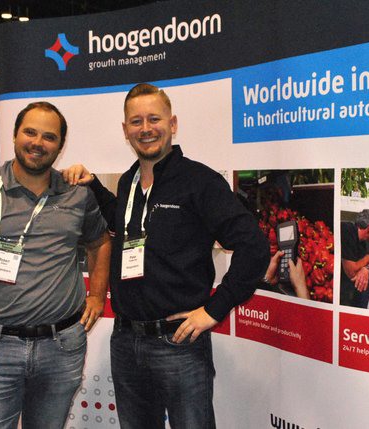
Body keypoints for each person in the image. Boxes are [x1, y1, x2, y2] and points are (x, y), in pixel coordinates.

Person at [63, 83, 269, 428]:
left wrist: (214, 310)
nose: (146, 129)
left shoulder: (200, 181)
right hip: (126, 340)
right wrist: (93, 184)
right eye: (136, 121)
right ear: (125, 130)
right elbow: (125, 223)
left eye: (154, 119)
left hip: (179, 344)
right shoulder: (129, 182)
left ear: (172, 124)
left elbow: (254, 247)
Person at [0, 101, 111, 429]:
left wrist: (98, 296)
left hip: (61, 348)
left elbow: (100, 243)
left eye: (49, 137)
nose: (38, 142)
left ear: (60, 145)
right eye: (30, 132)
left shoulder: (77, 194)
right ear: (15, 135)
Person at [340, 209, 369, 308]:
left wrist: (365, 269)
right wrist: (368, 258)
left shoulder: (362, 244)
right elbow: (351, 272)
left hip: (348, 299)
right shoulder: (348, 230)